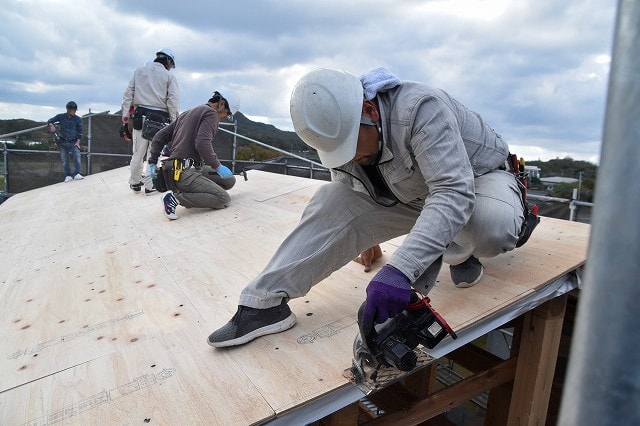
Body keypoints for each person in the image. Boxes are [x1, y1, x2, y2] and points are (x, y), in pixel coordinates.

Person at [208, 67, 533, 348]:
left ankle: (464, 249)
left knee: (488, 223)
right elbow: (349, 190)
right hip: (415, 193)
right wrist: (367, 237)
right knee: (329, 199)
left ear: (370, 111)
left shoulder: (420, 108)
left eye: (350, 146)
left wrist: (401, 270)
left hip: (476, 180)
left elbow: (451, 191)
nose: (347, 156)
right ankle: (263, 303)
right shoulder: (346, 133)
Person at [147, 91, 239, 220]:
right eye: (227, 114)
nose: (224, 117)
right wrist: (217, 166)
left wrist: (152, 162)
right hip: (184, 173)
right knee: (223, 198)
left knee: (229, 181)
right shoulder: (211, 114)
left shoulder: (187, 113)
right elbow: (202, 143)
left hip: (178, 170)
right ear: (222, 104)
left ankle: (193, 191)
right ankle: (175, 198)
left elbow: (158, 137)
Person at [121, 47, 180, 195]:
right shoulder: (169, 77)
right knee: (154, 153)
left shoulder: (139, 71)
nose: (171, 68)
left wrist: (125, 113)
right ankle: (149, 185)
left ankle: (134, 182)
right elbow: (172, 101)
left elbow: (128, 93)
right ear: (168, 60)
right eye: (171, 65)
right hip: (159, 119)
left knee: (138, 152)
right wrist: (175, 121)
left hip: (140, 116)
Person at [47, 101, 83, 183]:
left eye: (75, 110)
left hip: (73, 141)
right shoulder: (61, 116)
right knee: (65, 160)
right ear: (68, 109)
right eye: (72, 110)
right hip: (63, 142)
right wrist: (51, 124)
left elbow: (80, 132)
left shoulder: (78, 119)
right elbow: (50, 120)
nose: (74, 111)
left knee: (77, 157)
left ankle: (77, 173)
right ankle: (68, 176)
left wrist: (78, 142)